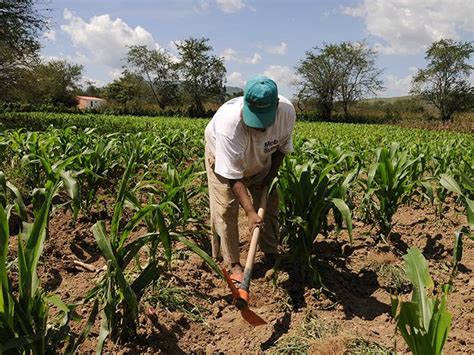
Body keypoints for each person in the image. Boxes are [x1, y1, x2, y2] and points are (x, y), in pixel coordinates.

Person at [204, 76, 296, 282]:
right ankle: (233, 263)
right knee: (226, 208)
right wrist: (250, 212)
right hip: (224, 161)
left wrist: (269, 178)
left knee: (270, 201)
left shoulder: (287, 113)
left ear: (276, 107)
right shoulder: (229, 124)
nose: (260, 127)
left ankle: (271, 252)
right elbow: (232, 177)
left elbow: (281, 149)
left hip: (262, 160)